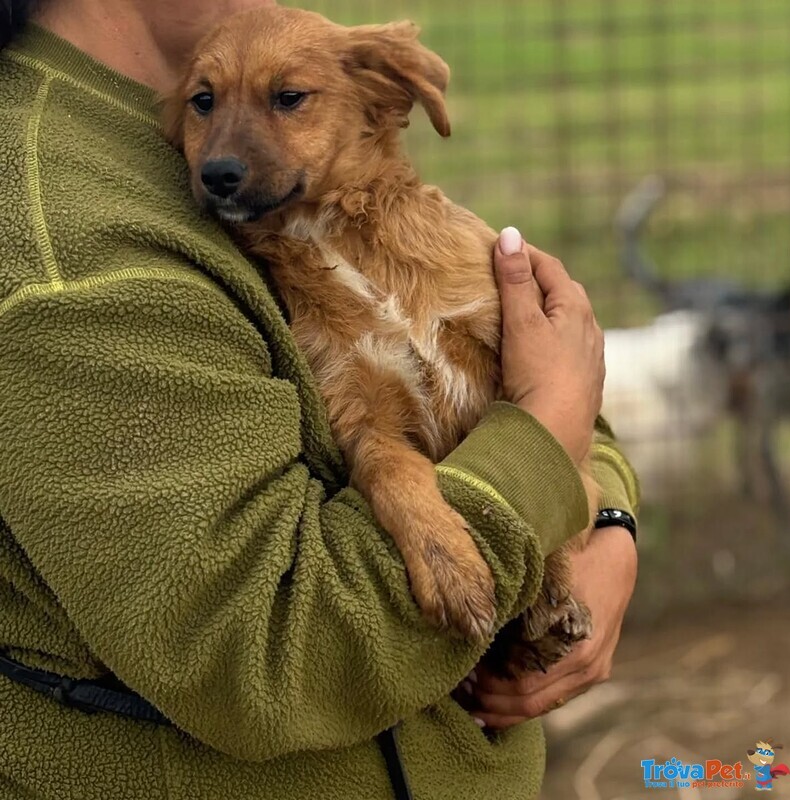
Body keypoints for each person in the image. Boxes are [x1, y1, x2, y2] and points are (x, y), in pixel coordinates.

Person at [0, 1, 639, 798]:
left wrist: (607, 520)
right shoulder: (64, 236)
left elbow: (559, 389)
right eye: (204, 108)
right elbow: (261, 656)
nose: (222, 154)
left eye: (286, 99)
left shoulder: (229, 99)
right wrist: (542, 447)